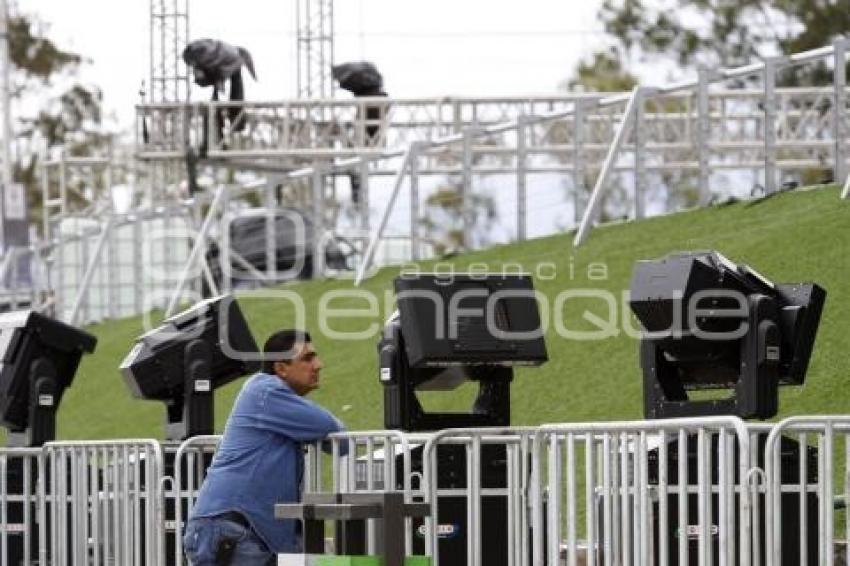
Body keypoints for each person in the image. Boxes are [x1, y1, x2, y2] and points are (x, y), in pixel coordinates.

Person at [183, 329, 345, 565]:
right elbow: (333, 428)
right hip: (232, 531)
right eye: (308, 358)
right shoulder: (266, 392)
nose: (318, 365)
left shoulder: (268, 395)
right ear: (281, 368)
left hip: (237, 531)